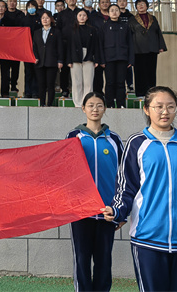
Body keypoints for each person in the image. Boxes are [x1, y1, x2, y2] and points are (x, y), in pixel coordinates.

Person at [103, 86, 177, 292]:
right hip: (148, 238)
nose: (165, 112)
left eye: (170, 106)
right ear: (147, 109)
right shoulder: (137, 143)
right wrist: (117, 211)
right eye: (159, 106)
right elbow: (126, 187)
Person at [66, 92, 123, 292]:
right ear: (83, 109)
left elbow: (123, 176)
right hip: (81, 210)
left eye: (99, 105)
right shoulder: (74, 137)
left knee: (104, 259)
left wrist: (120, 211)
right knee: (82, 258)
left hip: (107, 210)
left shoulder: (114, 139)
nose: (95, 109)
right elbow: (65, 172)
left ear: (105, 109)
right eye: (90, 105)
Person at [129, 0, 168, 97]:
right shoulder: (132, 20)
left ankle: (151, 92)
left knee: (151, 71)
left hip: (152, 48)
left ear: (147, 6)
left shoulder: (153, 18)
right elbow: (129, 35)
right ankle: (140, 93)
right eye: (138, 4)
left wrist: (161, 46)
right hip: (138, 49)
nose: (141, 6)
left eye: (143, 4)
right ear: (136, 7)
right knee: (139, 71)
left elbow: (158, 32)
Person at [100, 4, 134, 108]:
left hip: (122, 58)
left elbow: (130, 43)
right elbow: (100, 44)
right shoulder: (104, 27)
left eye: (116, 10)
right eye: (112, 10)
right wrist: (102, 60)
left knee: (121, 83)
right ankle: (109, 104)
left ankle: (121, 104)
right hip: (108, 59)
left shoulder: (125, 26)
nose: (114, 12)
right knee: (109, 83)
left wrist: (131, 60)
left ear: (119, 12)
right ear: (108, 13)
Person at [67, 9, 100, 107]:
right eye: (80, 15)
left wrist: (97, 59)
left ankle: (87, 102)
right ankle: (77, 103)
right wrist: (69, 60)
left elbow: (96, 45)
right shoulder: (72, 30)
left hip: (88, 56)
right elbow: (69, 46)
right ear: (76, 17)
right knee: (76, 81)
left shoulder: (92, 30)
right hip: (75, 56)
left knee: (88, 82)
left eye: (84, 15)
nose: (82, 17)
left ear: (87, 17)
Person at [33, 10, 63, 107]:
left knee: (50, 85)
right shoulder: (36, 32)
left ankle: (49, 104)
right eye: (43, 18)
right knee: (41, 84)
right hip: (39, 62)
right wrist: (35, 57)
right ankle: (42, 103)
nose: (45, 20)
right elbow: (34, 47)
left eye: (47, 18)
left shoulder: (56, 32)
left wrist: (60, 60)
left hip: (52, 61)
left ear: (51, 19)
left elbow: (60, 47)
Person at [57, 0, 81, 97]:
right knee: (65, 68)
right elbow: (58, 29)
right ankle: (65, 89)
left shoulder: (81, 12)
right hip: (65, 43)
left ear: (76, 0)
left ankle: (77, 89)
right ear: (66, 0)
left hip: (78, 44)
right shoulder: (61, 14)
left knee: (78, 67)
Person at [90, 0, 111, 96]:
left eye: (107, 2)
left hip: (111, 48)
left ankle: (110, 95)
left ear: (110, 3)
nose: (105, 4)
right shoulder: (94, 17)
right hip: (97, 48)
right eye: (102, 2)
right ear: (99, 5)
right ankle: (98, 94)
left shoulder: (114, 16)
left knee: (111, 75)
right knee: (97, 74)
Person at [0, 0, 13, 98]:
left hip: (5, 52)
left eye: (3, 6)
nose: (1, 8)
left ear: (5, 9)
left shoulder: (10, 21)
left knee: (5, 74)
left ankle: (5, 92)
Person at [22, 0, 42, 99]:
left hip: (38, 48)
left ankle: (35, 92)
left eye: (33, 6)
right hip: (27, 48)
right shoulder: (24, 19)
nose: (31, 8)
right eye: (29, 6)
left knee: (36, 71)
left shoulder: (40, 18)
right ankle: (27, 92)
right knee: (28, 72)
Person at [5, 0, 24, 93]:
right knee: (6, 68)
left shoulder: (21, 14)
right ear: (7, 2)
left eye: (14, 1)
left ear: (16, 3)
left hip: (17, 45)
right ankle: (5, 86)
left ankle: (13, 85)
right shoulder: (3, 14)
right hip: (5, 45)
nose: (12, 3)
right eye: (10, 1)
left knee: (16, 67)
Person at [117, 0, 135, 93]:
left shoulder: (131, 17)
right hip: (117, 45)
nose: (122, 3)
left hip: (128, 44)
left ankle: (130, 85)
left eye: (124, 1)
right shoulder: (115, 15)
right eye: (120, 1)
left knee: (128, 65)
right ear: (117, 3)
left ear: (126, 3)